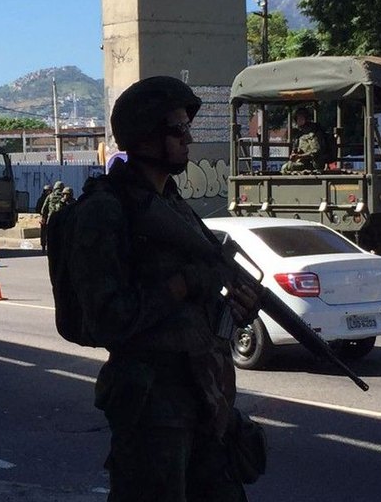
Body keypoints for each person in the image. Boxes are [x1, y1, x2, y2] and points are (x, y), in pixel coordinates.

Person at [67, 76, 261, 501]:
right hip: (152, 406)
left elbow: (200, 307)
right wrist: (182, 284)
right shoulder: (106, 211)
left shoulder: (172, 205)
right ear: (146, 138)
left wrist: (233, 308)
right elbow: (107, 320)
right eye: (178, 130)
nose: (188, 139)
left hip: (205, 395)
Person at [281, 107, 329, 174]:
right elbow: (299, 148)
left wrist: (300, 156)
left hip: (313, 164)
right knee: (287, 166)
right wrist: (295, 153)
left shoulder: (312, 133)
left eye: (301, 118)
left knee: (286, 167)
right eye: (298, 118)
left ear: (306, 119)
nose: (299, 120)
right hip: (303, 162)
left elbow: (316, 151)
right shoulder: (300, 134)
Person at [35, 184, 52, 253]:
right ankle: (43, 246)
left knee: (47, 233)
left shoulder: (49, 198)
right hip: (45, 218)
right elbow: (38, 209)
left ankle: (45, 246)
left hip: (48, 217)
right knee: (44, 233)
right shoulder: (44, 199)